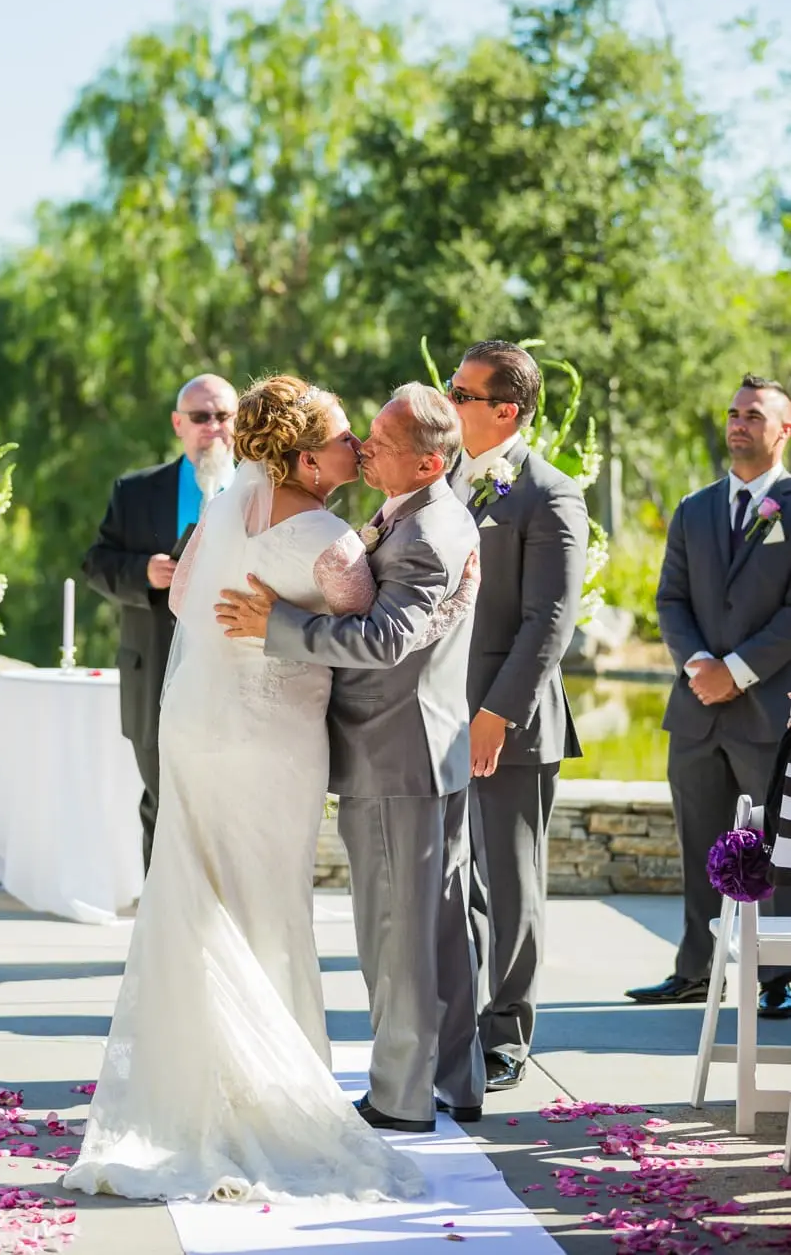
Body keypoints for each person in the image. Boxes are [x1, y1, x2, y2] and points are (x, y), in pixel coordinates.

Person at [65, 376, 424, 1203]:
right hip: (268, 740)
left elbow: (186, 595)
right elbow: (363, 633)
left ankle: (201, 1082)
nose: (356, 449)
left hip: (195, 723)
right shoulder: (330, 538)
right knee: (269, 904)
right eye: (343, 439)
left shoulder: (230, 503)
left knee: (197, 898)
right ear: (306, 457)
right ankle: (274, 1093)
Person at [217, 383, 485, 1134]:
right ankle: (456, 1083)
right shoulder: (420, 514)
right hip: (422, 744)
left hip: (394, 750)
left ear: (430, 463)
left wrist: (282, 625)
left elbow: (382, 641)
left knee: (395, 928)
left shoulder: (429, 530)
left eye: (382, 442)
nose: (364, 448)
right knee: (436, 927)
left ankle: (399, 1098)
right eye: (364, 434)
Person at [446, 341, 588, 1092]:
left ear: (506, 410)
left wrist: (495, 716)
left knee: (509, 883)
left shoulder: (549, 495)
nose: (448, 398)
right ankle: (458, 1019)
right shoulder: (441, 481)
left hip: (510, 727)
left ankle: (506, 1034)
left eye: (461, 392)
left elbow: (548, 622)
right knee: (455, 884)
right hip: (436, 715)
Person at [627, 373, 791, 1015]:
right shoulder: (694, 508)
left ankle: (780, 977)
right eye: (732, 413)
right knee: (701, 846)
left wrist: (739, 669)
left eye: (753, 414)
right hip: (695, 710)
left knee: (778, 852)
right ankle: (696, 969)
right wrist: (699, 663)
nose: (738, 423)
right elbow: (670, 597)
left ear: (783, 430)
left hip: (768, 712)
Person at [82, 374, 238, 873]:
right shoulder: (136, 491)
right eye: (200, 417)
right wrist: (141, 573)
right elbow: (95, 563)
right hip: (154, 671)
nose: (212, 427)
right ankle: (162, 934)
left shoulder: (269, 489)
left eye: (223, 415)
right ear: (178, 424)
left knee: (228, 810)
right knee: (163, 804)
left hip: (239, 672)